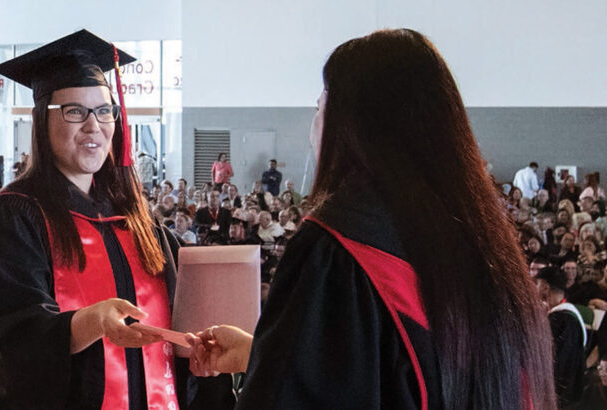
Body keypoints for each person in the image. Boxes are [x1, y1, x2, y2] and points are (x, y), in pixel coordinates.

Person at [187, 29, 554, 409]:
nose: (313, 127)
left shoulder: (336, 248)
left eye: (319, 107)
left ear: (350, 126)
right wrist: (264, 352)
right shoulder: (481, 243)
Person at [0, 30, 184, 409]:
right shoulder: (13, 218)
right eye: (74, 111)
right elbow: (12, 342)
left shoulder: (139, 222)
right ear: (41, 121)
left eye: (104, 111)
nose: (93, 126)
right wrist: (91, 322)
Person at [535, 265, 586, 407]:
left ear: (545, 286)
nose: (534, 288)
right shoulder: (565, 316)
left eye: (536, 284)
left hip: (558, 397)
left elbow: (556, 364)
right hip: (569, 394)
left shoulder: (561, 319)